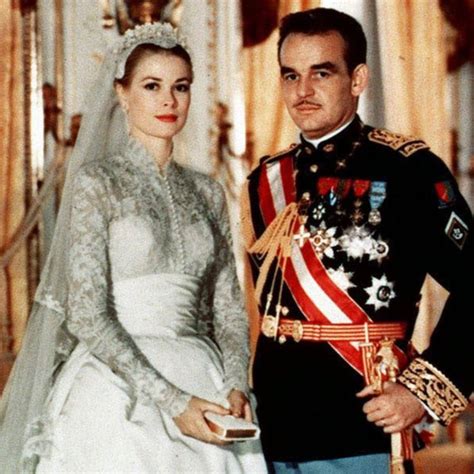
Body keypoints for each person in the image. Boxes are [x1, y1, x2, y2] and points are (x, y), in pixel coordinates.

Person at [0, 22, 266, 473]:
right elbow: (87, 313)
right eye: (152, 86)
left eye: (181, 86)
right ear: (122, 95)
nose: (169, 101)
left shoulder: (208, 192)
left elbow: (228, 308)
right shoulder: (97, 184)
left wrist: (237, 383)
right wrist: (173, 402)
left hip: (204, 377)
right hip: (116, 384)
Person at [241, 7, 473, 473]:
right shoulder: (265, 180)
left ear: (358, 79)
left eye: (321, 73)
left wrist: (422, 391)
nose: (302, 91)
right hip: (276, 425)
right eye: (290, 75)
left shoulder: (408, 171)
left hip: (361, 422)